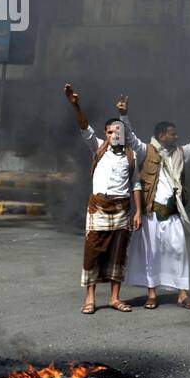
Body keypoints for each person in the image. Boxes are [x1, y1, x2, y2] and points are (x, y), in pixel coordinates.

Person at [118, 95, 190, 310]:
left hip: (173, 213)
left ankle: (182, 294)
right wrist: (123, 115)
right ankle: (152, 294)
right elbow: (130, 136)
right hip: (151, 213)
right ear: (161, 136)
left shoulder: (181, 154)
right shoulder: (145, 150)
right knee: (150, 254)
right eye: (173, 134)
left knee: (178, 252)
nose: (177, 137)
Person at [64, 83, 142, 314]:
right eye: (109, 131)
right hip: (98, 207)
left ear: (123, 133)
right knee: (93, 251)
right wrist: (75, 105)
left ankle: (115, 298)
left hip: (121, 208)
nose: (113, 134)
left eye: (117, 131)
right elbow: (84, 126)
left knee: (118, 253)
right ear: (105, 133)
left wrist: (138, 211)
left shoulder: (131, 155)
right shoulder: (98, 147)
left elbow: (136, 184)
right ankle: (90, 298)